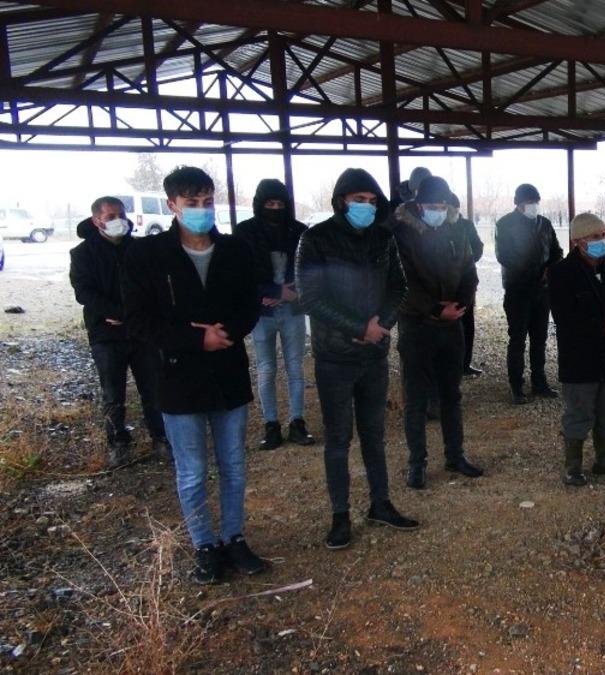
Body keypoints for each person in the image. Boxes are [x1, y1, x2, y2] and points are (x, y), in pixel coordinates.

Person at [121, 166, 267, 584]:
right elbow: (138, 320)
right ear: (172, 205)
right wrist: (191, 338)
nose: (202, 210)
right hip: (177, 375)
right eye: (192, 204)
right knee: (192, 469)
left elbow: (249, 303)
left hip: (227, 370)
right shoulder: (146, 256)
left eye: (207, 202)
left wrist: (227, 334)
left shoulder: (235, 250)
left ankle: (234, 538)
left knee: (234, 464)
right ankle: (204, 545)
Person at [296, 168, 418, 550]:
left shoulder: (383, 239)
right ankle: (340, 515)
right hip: (335, 355)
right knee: (338, 438)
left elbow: (399, 285)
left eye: (371, 201)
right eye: (358, 200)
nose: (365, 206)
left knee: (375, 434)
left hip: (374, 353)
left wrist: (380, 325)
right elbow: (310, 297)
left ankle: (380, 503)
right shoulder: (315, 239)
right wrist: (356, 327)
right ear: (340, 201)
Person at [390, 176, 484, 490]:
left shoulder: (456, 229)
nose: (439, 211)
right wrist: (433, 308)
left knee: (451, 395)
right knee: (416, 399)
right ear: (419, 206)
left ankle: (455, 455)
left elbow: (469, 271)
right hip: (417, 325)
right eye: (433, 206)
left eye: (443, 206)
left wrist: (460, 304)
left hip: (452, 323)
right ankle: (417, 464)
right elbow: (402, 282)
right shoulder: (401, 233)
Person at [70, 196, 169, 467]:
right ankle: (118, 442)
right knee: (112, 391)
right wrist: (115, 313)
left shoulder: (140, 249)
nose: (118, 221)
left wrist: (132, 316)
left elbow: (154, 286)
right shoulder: (82, 254)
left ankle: (161, 438)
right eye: (111, 216)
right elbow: (84, 292)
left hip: (142, 331)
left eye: (121, 214)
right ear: (97, 220)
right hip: (105, 333)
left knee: (153, 386)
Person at [548, 213, 605, 486]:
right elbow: (564, 317)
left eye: (603, 235)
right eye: (595, 237)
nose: (602, 241)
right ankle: (572, 467)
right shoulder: (561, 273)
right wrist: (600, 326)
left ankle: (604, 460)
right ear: (577, 241)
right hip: (580, 359)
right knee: (579, 413)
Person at [234, 179, 315, 450]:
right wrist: (270, 291)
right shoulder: (244, 233)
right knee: (266, 369)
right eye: (270, 204)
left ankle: (297, 422)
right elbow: (241, 274)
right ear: (260, 204)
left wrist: (293, 292)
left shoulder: (299, 231)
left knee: (295, 368)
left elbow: (309, 269)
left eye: (280, 204)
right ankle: (271, 424)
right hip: (262, 312)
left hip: (293, 310)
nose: (275, 208)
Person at [495, 183, 563, 404]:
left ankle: (539, 382)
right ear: (519, 204)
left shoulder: (544, 224)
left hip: (542, 292)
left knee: (539, 339)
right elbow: (504, 255)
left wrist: (548, 269)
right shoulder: (505, 224)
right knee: (517, 338)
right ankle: (516, 385)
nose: (533, 207)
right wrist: (531, 271)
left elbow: (557, 251)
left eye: (536, 203)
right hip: (518, 290)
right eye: (529, 203)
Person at [448, 192, 485, 377]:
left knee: (467, 325)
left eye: (453, 209)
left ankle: (465, 363)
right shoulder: (439, 227)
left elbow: (478, 247)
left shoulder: (466, 225)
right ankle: (450, 364)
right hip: (445, 287)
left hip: (465, 283)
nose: (449, 212)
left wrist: (467, 260)